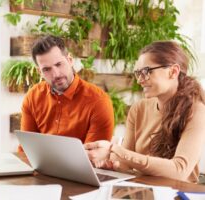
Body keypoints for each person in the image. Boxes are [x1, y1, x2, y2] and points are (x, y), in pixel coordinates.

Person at [84, 41, 205, 183]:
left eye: (147, 71)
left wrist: (114, 149)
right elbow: (124, 163)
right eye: (138, 73)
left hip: (176, 193)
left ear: (173, 71)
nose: (140, 80)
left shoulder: (197, 111)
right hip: (140, 189)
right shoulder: (139, 109)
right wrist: (108, 160)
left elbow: (179, 170)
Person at [18, 35, 114, 152]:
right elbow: (26, 150)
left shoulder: (99, 102)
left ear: (70, 60)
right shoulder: (33, 97)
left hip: (81, 170)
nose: (56, 74)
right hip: (39, 169)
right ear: (39, 72)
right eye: (47, 69)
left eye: (59, 64)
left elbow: (93, 157)